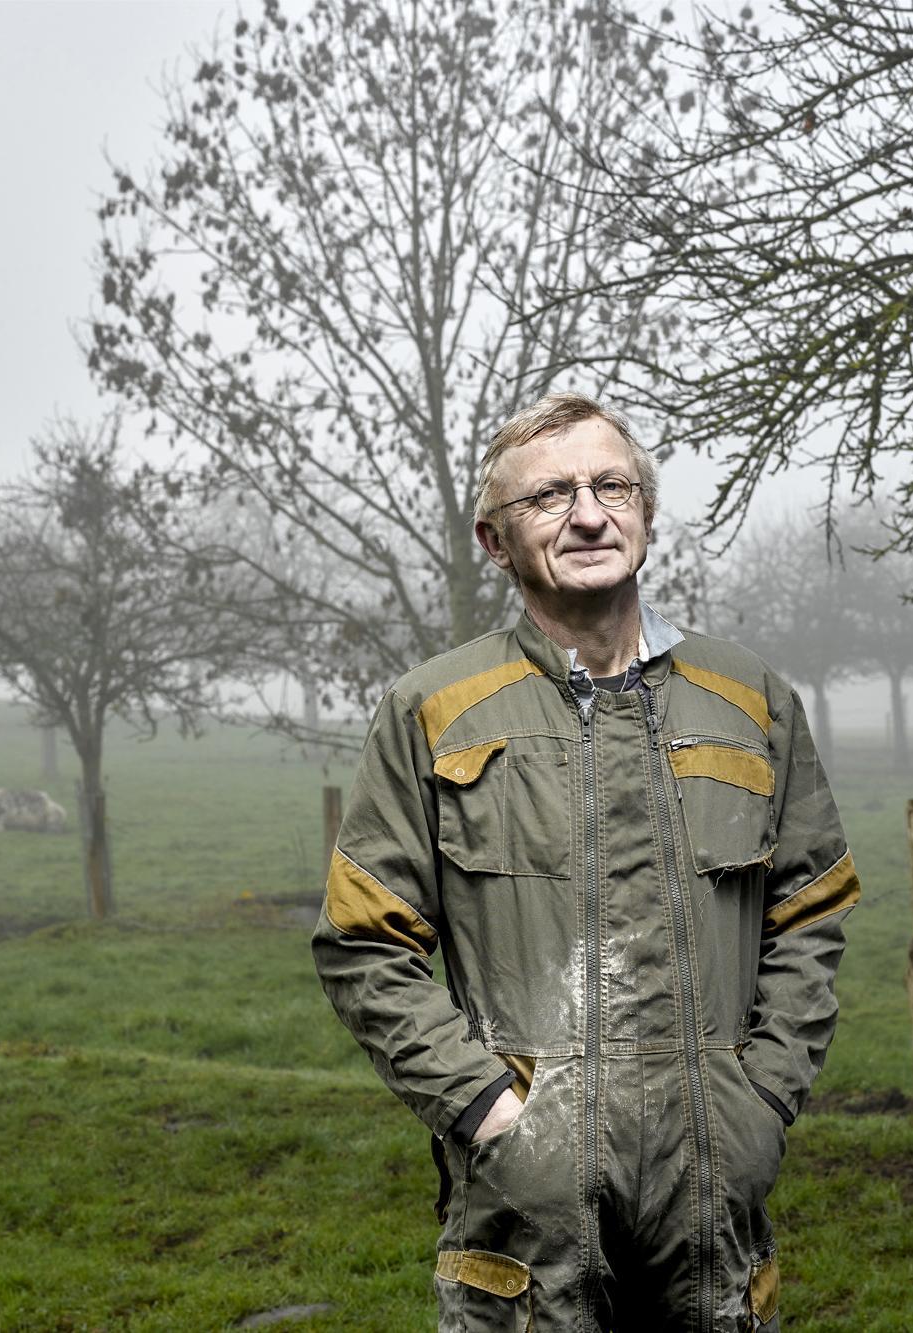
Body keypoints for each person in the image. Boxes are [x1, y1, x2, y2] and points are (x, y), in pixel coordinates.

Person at [313, 392, 860, 1332]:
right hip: (526, 1215)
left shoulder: (751, 700)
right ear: (494, 541)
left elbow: (811, 910)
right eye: (549, 496)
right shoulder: (431, 710)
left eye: (612, 486)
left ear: (646, 513)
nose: (589, 515)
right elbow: (364, 945)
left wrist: (763, 1097)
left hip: (713, 1198)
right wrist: (489, 1113)